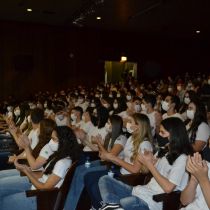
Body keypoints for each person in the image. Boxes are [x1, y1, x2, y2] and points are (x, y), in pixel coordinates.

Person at [98, 117, 193, 210]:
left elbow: (168, 188)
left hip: (152, 201)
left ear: (174, 135)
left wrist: (149, 164)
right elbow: (144, 170)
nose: (159, 135)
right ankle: (114, 207)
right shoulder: (164, 151)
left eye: (162, 132)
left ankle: (113, 206)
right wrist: (145, 160)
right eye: (159, 131)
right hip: (141, 191)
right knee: (105, 180)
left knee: (126, 202)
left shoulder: (182, 159)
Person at [0, 126, 82, 210]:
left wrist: (27, 171)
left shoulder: (63, 162)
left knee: (3, 201)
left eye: (54, 139)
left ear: (63, 142)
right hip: (38, 191)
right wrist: (28, 170)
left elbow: (45, 187)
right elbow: (44, 175)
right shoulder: (59, 155)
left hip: (41, 199)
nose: (50, 142)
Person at [84, 113, 154, 210]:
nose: (127, 124)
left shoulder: (145, 144)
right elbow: (123, 160)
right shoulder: (131, 138)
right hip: (121, 171)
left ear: (138, 126)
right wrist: (112, 158)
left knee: (95, 184)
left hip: (130, 177)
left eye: (130, 122)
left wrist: (114, 158)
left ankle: (102, 206)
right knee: (89, 177)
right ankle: (102, 206)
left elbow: (135, 170)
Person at [64, 115, 127, 210]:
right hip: (104, 162)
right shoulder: (109, 136)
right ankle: (71, 201)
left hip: (113, 166)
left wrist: (99, 144)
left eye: (109, 123)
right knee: (79, 168)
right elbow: (101, 153)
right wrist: (86, 140)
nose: (107, 125)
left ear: (115, 125)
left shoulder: (121, 138)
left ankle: (73, 206)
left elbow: (110, 157)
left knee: (83, 173)